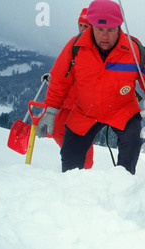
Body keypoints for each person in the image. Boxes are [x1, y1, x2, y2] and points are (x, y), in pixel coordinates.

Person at [37, 0, 145, 174]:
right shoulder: (76, 47)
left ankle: (123, 185)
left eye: (111, 30)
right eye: (99, 30)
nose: (105, 36)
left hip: (122, 110)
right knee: (70, 163)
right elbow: (59, 80)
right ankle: (73, 193)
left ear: (119, 27)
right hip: (85, 112)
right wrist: (50, 111)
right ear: (91, 27)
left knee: (132, 142)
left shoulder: (133, 49)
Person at [50, 8, 94, 170]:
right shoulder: (74, 43)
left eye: (86, 26)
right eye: (80, 25)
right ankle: (75, 159)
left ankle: (84, 168)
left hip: (81, 104)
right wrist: (52, 76)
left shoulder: (94, 49)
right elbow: (64, 68)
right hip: (67, 100)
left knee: (82, 137)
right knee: (56, 131)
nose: (82, 29)